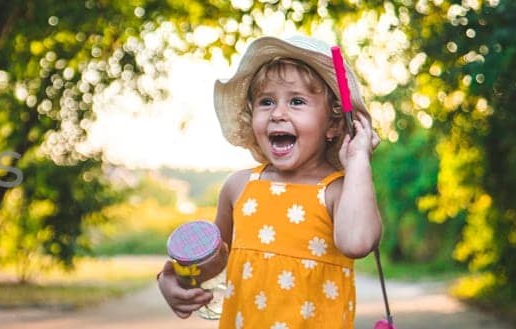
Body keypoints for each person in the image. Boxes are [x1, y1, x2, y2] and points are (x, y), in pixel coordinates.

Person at [157, 35, 383, 329]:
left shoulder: (337, 191)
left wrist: (358, 161)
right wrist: (169, 279)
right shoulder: (239, 187)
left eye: (297, 101)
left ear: (334, 125)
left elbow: (358, 242)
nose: (277, 113)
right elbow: (211, 258)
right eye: (266, 102)